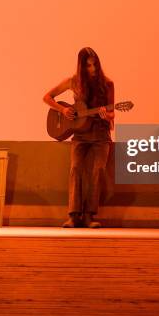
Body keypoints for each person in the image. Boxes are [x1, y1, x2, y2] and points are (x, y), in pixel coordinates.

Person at [43, 47, 114, 228]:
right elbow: (47, 97)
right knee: (75, 168)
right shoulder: (73, 82)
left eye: (94, 65)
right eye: (88, 66)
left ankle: (90, 215)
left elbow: (113, 114)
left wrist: (107, 114)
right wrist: (63, 109)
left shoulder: (107, 83)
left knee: (97, 171)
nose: (92, 69)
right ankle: (74, 215)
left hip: (100, 133)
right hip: (80, 133)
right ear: (81, 67)